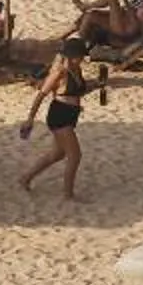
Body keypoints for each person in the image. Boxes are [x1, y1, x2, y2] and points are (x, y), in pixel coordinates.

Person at [19, 34, 93, 201]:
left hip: (71, 114)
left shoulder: (77, 70)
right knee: (75, 155)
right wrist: (30, 118)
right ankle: (68, 195)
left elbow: (76, 92)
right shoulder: (60, 72)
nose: (82, 59)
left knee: (57, 154)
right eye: (80, 56)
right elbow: (41, 95)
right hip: (59, 115)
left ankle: (26, 178)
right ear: (72, 56)